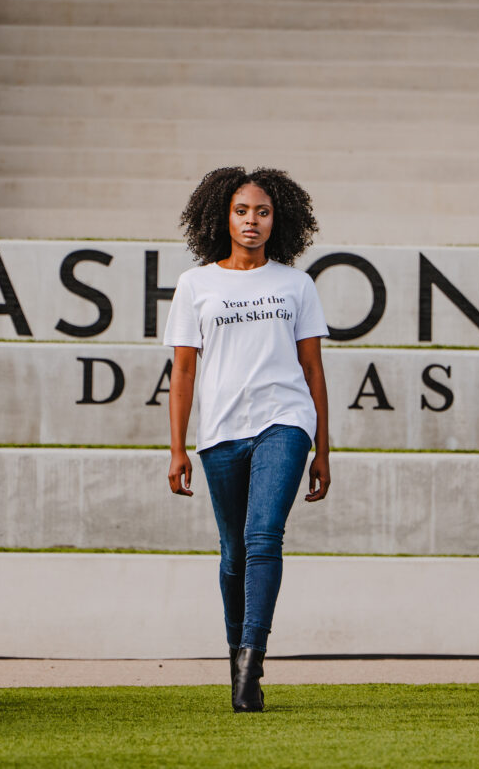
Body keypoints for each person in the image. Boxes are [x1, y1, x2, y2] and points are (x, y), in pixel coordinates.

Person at [164, 166, 330, 712]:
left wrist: (322, 447)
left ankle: (251, 661)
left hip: (285, 422)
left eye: (262, 211)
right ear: (222, 217)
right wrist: (177, 448)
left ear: (277, 219)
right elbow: (183, 372)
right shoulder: (196, 285)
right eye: (241, 211)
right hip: (220, 433)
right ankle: (238, 654)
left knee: (263, 537)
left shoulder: (295, 284)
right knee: (234, 552)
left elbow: (313, 369)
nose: (251, 221)